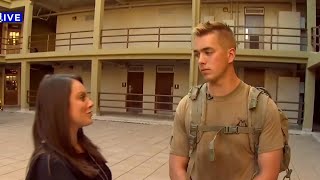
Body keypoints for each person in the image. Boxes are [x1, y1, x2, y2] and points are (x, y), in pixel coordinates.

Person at [169, 22, 284, 180]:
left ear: (230, 55)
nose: (201, 60)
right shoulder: (187, 105)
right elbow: (176, 167)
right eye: (197, 54)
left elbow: (268, 174)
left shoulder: (263, 107)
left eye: (208, 52)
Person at [25, 74, 112, 180]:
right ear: (60, 106)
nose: (91, 103)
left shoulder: (82, 145)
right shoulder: (50, 166)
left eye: (87, 96)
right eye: (81, 97)